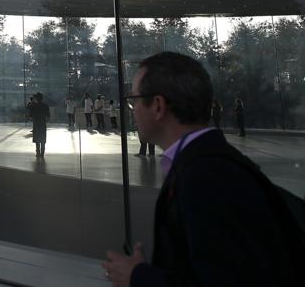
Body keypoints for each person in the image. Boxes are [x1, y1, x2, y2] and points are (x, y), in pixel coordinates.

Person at [102, 51, 300, 286]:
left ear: (157, 105)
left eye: (133, 100)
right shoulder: (210, 164)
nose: (132, 109)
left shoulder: (206, 177)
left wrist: (139, 277)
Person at [29, 92, 49, 157]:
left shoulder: (33, 106)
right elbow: (48, 115)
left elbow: (30, 115)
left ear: (36, 98)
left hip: (36, 123)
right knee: (43, 138)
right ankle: (42, 153)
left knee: (37, 138)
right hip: (43, 123)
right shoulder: (45, 105)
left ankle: (38, 152)